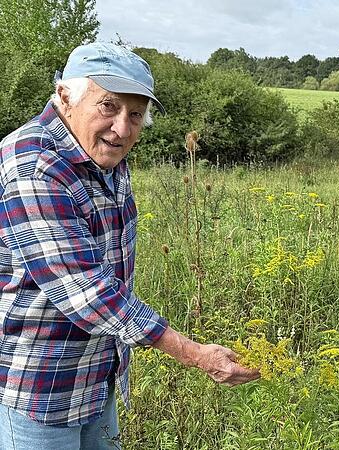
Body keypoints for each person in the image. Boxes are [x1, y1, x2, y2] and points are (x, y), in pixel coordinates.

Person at [0, 42, 259, 448]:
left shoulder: (105, 153)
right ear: (66, 97)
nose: (122, 128)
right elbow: (87, 291)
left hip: (97, 378)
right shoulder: (35, 163)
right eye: (108, 107)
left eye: (135, 115)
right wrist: (194, 353)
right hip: (38, 388)